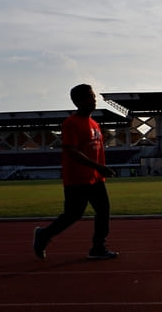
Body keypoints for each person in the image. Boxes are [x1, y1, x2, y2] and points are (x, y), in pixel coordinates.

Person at [33, 84, 118, 260]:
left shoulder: (95, 124)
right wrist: (98, 167)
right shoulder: (71, 123)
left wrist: (99, 170)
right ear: (78, 101)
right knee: (73, 215)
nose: (93, 100)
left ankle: (98, 247)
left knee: (103, 210)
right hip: (77, 179)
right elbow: (71, 151)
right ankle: (44, 235)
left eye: (94, 96)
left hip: (95, 179)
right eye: (89, 97)